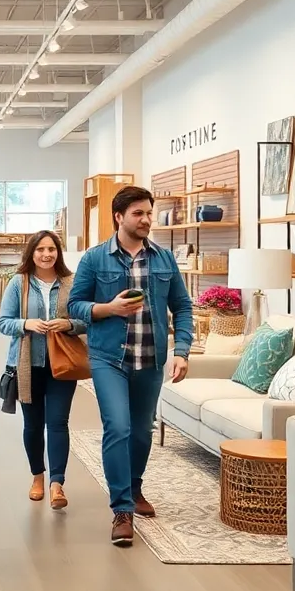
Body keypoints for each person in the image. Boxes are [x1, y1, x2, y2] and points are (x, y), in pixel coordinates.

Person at [69, 186, 193, 547]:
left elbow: (182, 307)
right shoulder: (95, 259)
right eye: (138, 213)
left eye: (149, 213)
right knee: (118, 427)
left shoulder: (164, 259)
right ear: (119, 217)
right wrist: (108, 309)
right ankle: (121, 509)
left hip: (151, 359)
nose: (146, 220)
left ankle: (134, 487)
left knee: (142, 432)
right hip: (109, 357)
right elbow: (75, 306)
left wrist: (182, 349)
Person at [0, 230, 86, 510]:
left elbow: (87, 320)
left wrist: (68, 325)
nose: (47, 254)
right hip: (27, 365)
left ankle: (56, 483)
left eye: (52, 249)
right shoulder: (19, 283)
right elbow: (3, 323)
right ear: (31, 253)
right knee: (33, 425)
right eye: (40, 249)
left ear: (58, 253)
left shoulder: (72, 283)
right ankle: (37, 476)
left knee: (58, 423)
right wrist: (26, 324)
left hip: (63, 365)